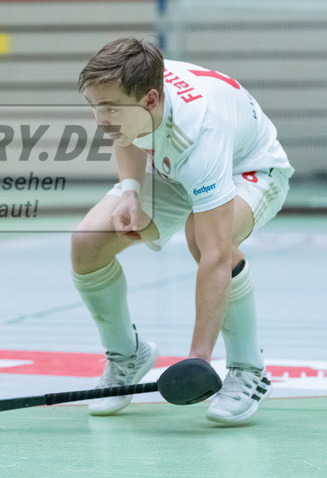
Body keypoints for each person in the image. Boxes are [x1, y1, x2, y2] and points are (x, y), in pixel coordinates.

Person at [72, 37, 292, 425]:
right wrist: (130, 191)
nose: (100, 120)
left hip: (250, 170)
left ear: (151, 100)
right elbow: (129, 134)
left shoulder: (202, 132)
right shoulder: (135, 89)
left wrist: (198, 360)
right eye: (95, 107)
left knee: (204, 238)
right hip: (173, 163)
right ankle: (128, 354)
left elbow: (215, 256)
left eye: (109, 109)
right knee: (88, 242)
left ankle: (247, 370)